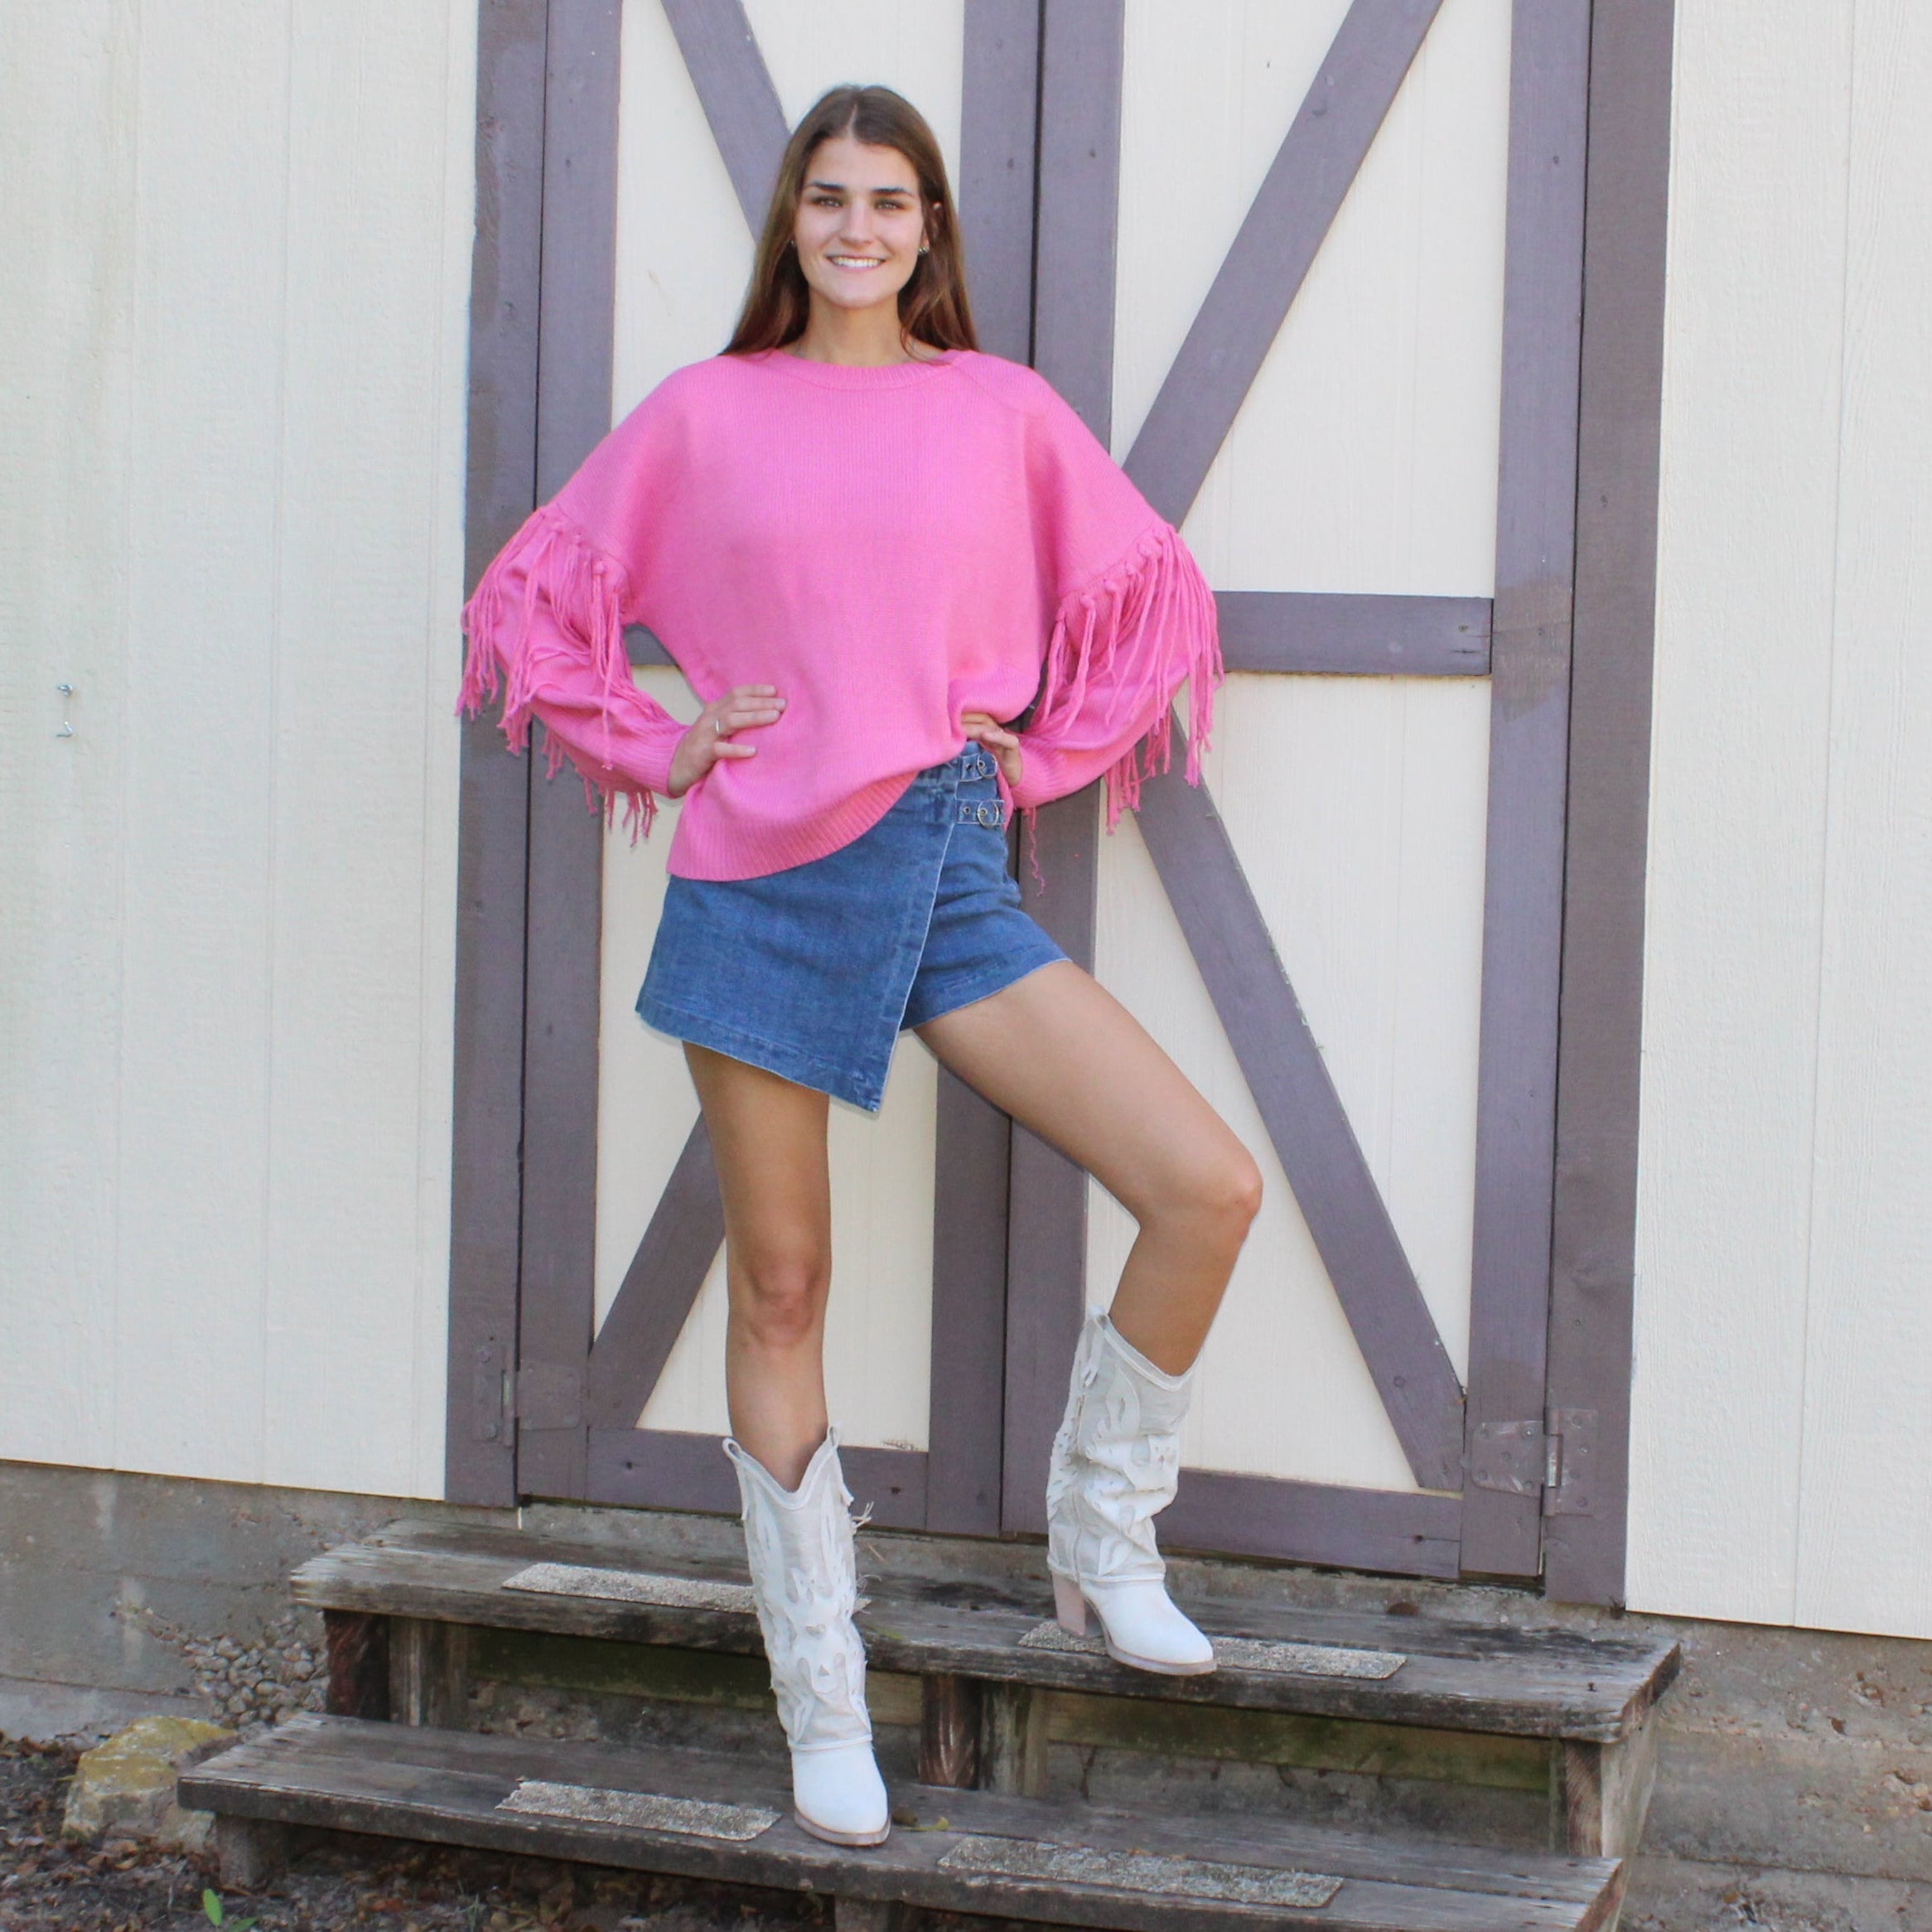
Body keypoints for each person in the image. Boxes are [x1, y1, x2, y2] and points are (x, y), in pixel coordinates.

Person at [461, 84, 1263, 1851]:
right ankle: (823, 1693)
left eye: (887, 200)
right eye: (827, 198)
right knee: (781, 1287)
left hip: (945, 861)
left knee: (1204, 1185)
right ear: (791, 221)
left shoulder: (998, 410)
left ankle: (1101, 1542)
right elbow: (530, 601)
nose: (856, 227)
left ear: (926, 230)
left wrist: (1040, 756)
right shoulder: (702, 411)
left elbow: (1153, 602)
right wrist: (656, 741)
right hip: (756, 881)